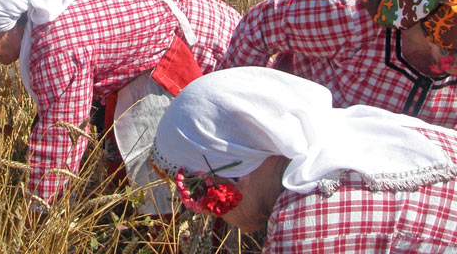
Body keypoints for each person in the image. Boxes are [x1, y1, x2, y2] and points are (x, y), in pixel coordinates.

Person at [0, 0, 241, 214]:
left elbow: (60, 136)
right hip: (173, 36)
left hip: (202, 44)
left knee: (194, 169)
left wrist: (39, 215)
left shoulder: (54, 44)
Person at [151, 67, 457, 252]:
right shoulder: (359, 126)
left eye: (193, 189)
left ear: (234, 173)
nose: (197, 207)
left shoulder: (304, 224)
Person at [220, 0, 457, 129]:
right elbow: (261, 25)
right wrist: (240, 121)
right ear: (429, 25)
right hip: (300, 140)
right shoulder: (348, 11)